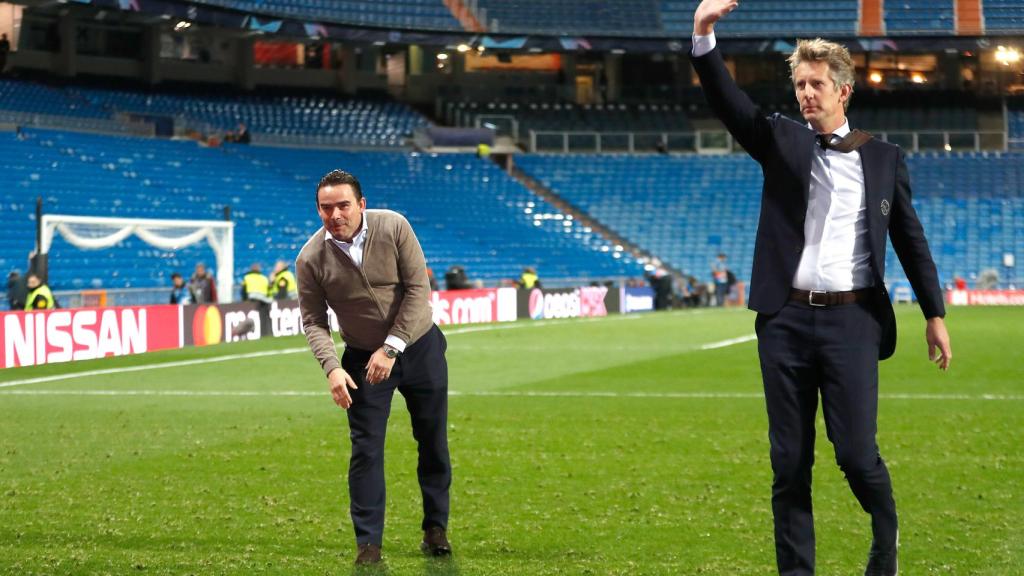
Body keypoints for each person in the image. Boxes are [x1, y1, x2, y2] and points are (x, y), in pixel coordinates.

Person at [690, 2, 952, 575]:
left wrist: (934, 313)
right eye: (800, 84)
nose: (806, 93)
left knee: (857, 455)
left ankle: (886, 538)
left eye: (816, 84)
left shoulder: (883, 159)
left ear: (843, 91)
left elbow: (910, 238)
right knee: (789, 461)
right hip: (783, 321)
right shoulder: (781, 139)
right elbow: (729, 105)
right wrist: (703, 35)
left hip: (853, 322)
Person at [296, 169, 452, 566]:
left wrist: (392, 346)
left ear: (361, 205)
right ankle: (369, 544)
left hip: (418, 348)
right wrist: (332, 368)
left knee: (432, 439)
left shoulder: (395, 226)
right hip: (361, 360)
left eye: (343, 205)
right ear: (318, 209)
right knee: (365, 451)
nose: (335, 214)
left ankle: (435, 528)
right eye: (326, 207)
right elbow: (313, 320)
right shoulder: (310, 258)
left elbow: (419, 289)